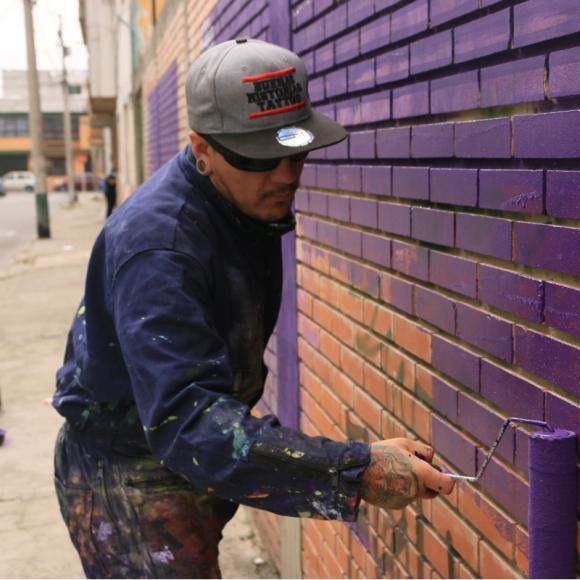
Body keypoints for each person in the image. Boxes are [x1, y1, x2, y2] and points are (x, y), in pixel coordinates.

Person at [52, 38, 455, 578]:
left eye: (297, 152)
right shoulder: (159, 248)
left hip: (183, 458)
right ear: (202, 147)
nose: (287, 175)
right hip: (131, 473)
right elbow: (187, 420)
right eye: (261, 158)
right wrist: (354, 470)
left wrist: (350, 462)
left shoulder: (239, 200)